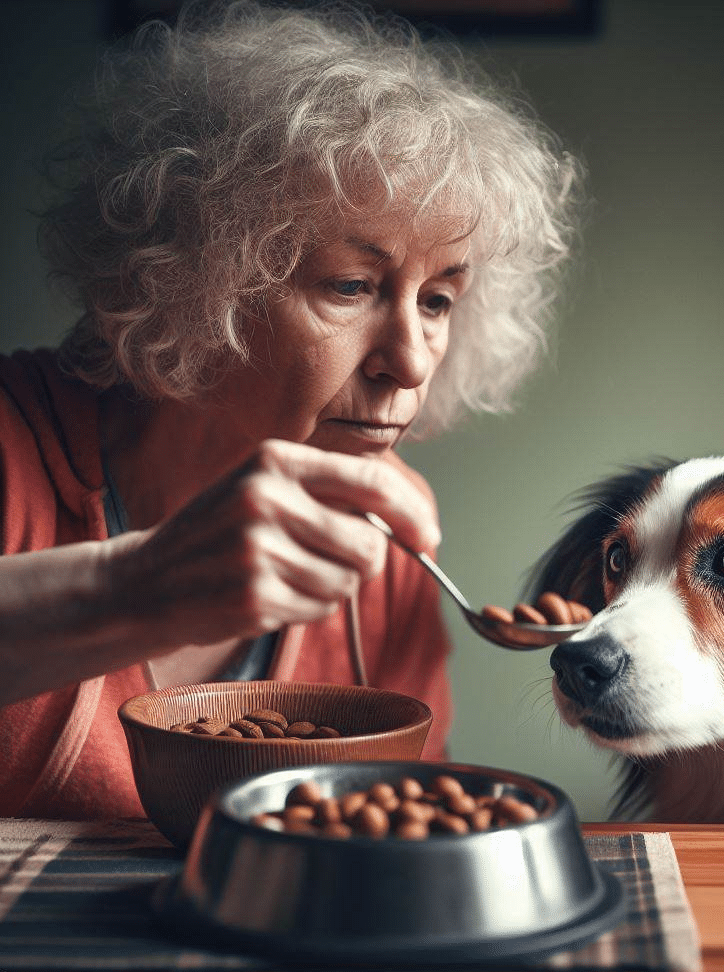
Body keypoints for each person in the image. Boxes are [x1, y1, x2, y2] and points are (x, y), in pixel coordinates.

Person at [0, 0, 581, 819]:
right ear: (190, 280)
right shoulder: (12, 445)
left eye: (441, 298)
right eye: (351, 286)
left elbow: (401, 822)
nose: (411, 359)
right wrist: (134, 589)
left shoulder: (380, 540)